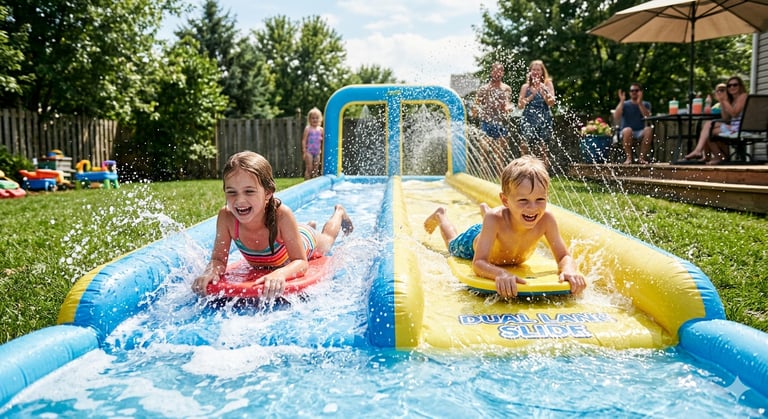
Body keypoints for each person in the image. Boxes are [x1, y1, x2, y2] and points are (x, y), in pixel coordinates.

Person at [192, 151, 353, 300]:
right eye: (231, 192)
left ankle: (338, 212)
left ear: (268, 192)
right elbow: (218, 259)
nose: (239, 200)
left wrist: (281, 274)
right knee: (300, 232)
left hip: (304, 242)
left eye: (249, 191)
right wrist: (211, 272)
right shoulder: (226, 217)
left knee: (326, 241)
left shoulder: (282, 214)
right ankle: (306, 226)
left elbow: (301, 263)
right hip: (288, 235)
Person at [423, 155, 586, 298]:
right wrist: (500, 273)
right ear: (505, 200)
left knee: (492, 219)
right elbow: (478, 263)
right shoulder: (495, 218)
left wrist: (569, 270)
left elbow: (564, 256)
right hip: (473, 243)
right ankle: (441, 216)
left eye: (540, 200)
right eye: (523, 201)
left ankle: (485, 213)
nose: (533, 207)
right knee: (452, 244)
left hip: (496, 229)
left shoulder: (546, 220)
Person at [682, 77, 748, 165]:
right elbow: (726, 118)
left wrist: (724, 100)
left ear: (740, 86)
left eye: (735, 85)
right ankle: (718, 156)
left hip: (740, 128)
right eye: (729, 85)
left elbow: (735, 113)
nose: (732, 87)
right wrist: (722, 102)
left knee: (709, 125)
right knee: (709, 130)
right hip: (733, 127)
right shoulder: (732, 100)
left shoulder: (743, 96)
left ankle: (701, 151)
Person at [474, 62, 514, 171]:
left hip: (501, 122)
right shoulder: (484, 89)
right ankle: (483, 175)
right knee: (484, 151)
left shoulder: (506, 88)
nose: (497, 73)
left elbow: (507, 103)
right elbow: (476, 106)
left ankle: (500, 178)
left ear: (503, 73)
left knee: (500, 153)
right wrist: (478, 111)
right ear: (491, 72)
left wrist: (508, 108)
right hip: (486, 122)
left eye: (500, 70)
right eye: (495, 70)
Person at [517, 60, 556, 168]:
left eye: (538, 70)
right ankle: (523, 170)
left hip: (544, 118)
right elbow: (520, 105)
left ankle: (543, 173)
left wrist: (543, 91)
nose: (535, 72)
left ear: (542, 72)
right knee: (524, 145)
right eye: (533, 69)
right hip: (528, 118)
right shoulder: (525, 87)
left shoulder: (548, 84)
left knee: (543, 148)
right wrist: (531, 96)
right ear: (530, 72)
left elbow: (551, 103)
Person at [614, 82, 653, 164]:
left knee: (649, 129)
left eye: (636, 90)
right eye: (632, 91)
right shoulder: (624, 104)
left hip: (639, 132)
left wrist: (639, 103)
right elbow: (616, 116)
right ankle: (629, 158)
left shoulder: (646, 104)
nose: (634, 92)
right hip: (625, 132)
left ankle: (641, 158)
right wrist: (621, 101)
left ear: (641, 92)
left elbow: (647, 117)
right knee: (628, 130)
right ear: (629, 92)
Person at [301, 107, 324, 179]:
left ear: (320, 119)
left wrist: (322, 151)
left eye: (317, 118)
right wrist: (304, 151)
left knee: (316, 169)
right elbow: (304, 140)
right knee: (309, 168)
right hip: (309, 152)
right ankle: (306, 182)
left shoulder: (321, 129)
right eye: (313, 118)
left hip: (317, 152)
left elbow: (323, 141)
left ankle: (314, 183)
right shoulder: (308, 129)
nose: (315, 120)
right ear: (309, 119)